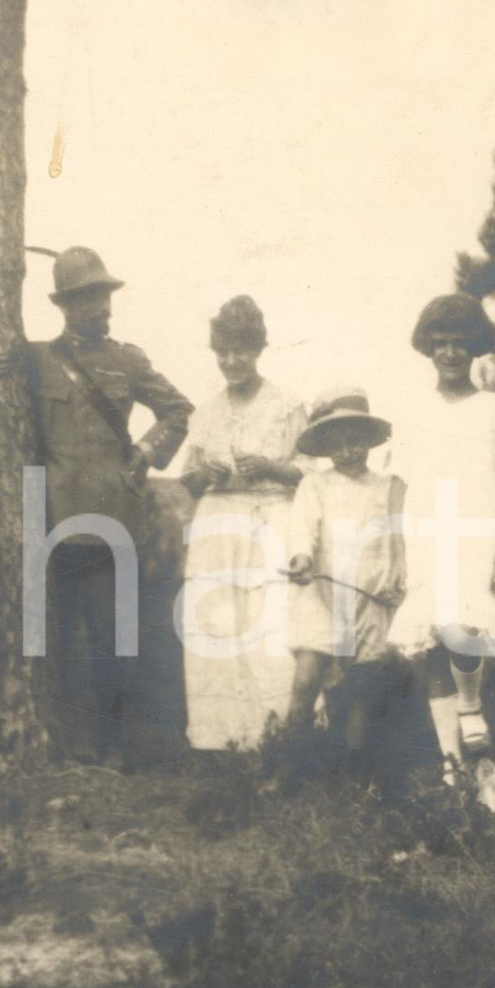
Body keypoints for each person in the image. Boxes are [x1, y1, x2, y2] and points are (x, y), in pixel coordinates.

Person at [0, 246, 194, 766]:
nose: (97, 308)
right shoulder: (35, 360)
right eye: (84, 299)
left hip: (113, 522)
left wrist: (146, 453)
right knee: (47, 640)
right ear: (63, 305)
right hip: (48, 521)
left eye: (102, 297)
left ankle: (112, 748)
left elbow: (177, 409)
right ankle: (57, 746)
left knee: (111, 639)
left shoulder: (129, 359)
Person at [387, 293, 495, 788]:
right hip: (425, 530)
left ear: (475, 348)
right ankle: (453, 763)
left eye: (458, 344)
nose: (448, 353)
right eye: (440, 344)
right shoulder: (412, 408)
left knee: (464, 629)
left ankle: (471, 704)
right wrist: (399, 551)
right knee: (431, 641)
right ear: (427, 348)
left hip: (475, 529)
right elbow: (398, 482)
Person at [179, 296, 311, 750]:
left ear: (259, 350)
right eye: (223, 352)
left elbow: (311, 472)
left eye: (241, 351)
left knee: (268, 626)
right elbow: (188, 477)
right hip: (217, 525)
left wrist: (270, 467)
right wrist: (205, 474)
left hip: (269, 519)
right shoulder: (207, 412)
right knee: (218, 624)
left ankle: (275, 738)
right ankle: (222, 742)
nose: (232, 361)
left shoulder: (287, 405)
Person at [283, 388, 403, 765]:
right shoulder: (315, 485)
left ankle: (353, 776)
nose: (348, 451)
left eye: (356, 442)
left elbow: (395, 539)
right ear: (325, 446)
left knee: (363, 692)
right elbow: (304, 528)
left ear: (369, 442)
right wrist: (301, 558)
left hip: (369, 596)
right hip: (321, 591)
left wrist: (394, 580)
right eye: (339, 443)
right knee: (305, 680)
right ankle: (288, 763)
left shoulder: (385, 487)